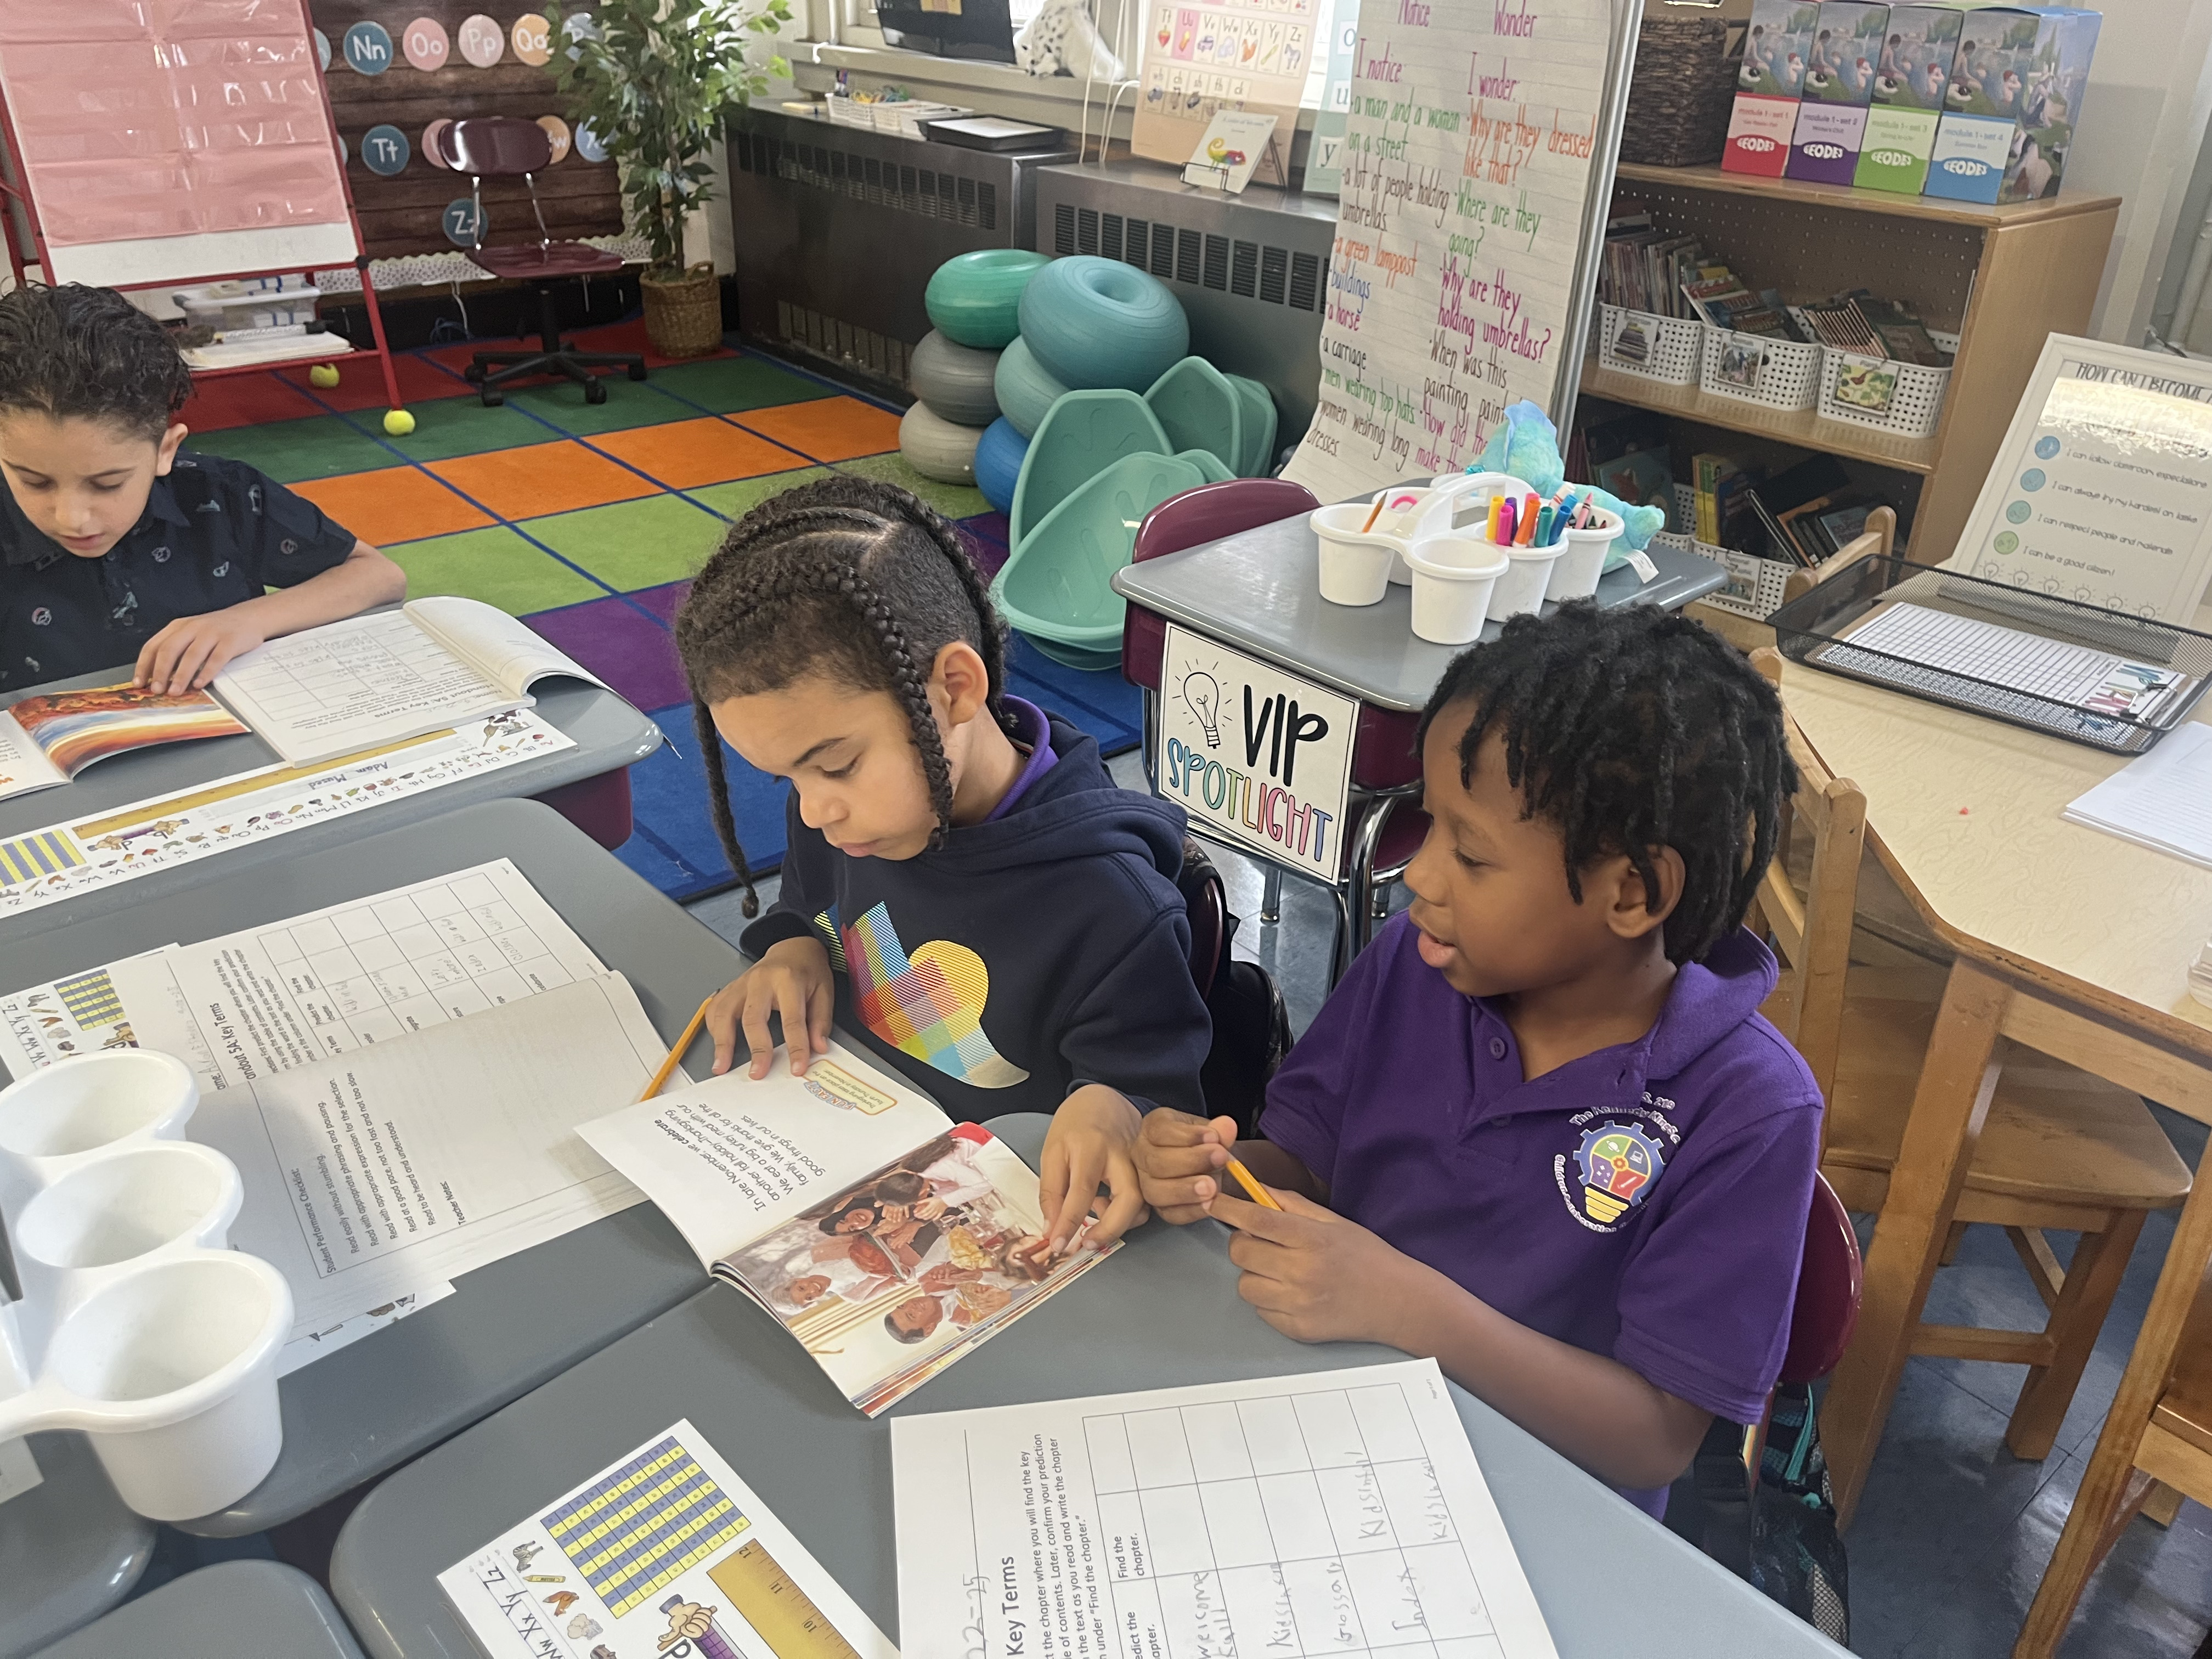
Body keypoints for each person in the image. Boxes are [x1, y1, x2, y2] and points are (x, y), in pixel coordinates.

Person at [1133, 601, 1821, 1516]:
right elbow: (1303, 1165)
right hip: (1326, 1431)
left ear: (1633, 891)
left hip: (1533, 1505)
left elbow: (1654, 1435)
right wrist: (1206, 1168)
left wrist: (1407, 1308)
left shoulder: (1750, 1108)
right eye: (1430, 828)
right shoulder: (1411, 961)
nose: (1420, 876)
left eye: (1471, 854)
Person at [680, 477, 1211, 1255]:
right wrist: (793, 944)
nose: (815, 809)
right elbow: (812, 907)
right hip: (840, 1156)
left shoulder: (1112, 903)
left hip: (1003, 1224)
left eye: (837, 765)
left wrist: (1115, 1106)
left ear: (955, 689)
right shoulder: (848, 819)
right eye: (784, 778)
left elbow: (1155, 1104)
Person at [0, 283, 404, 696]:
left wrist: (248, 619)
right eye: (34, 481)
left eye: (108, 484)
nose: (72, 518)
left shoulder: (219, 494)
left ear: (165, 451)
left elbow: (381, 577)